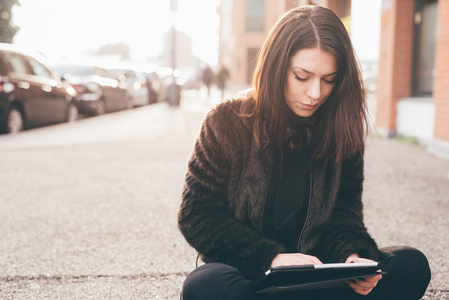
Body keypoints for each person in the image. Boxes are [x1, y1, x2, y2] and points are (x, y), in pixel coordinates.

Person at [178, 5, 430, 300]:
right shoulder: (224, 122)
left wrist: (354, 256)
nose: (316, 93)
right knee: (205, 287)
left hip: (320, 276)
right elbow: (196, 215)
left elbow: (345, 215)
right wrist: (270, 258)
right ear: (276, 68)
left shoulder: (342, 128)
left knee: (410, 264)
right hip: (252, 276)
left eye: (329, 79)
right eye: (302, 76)